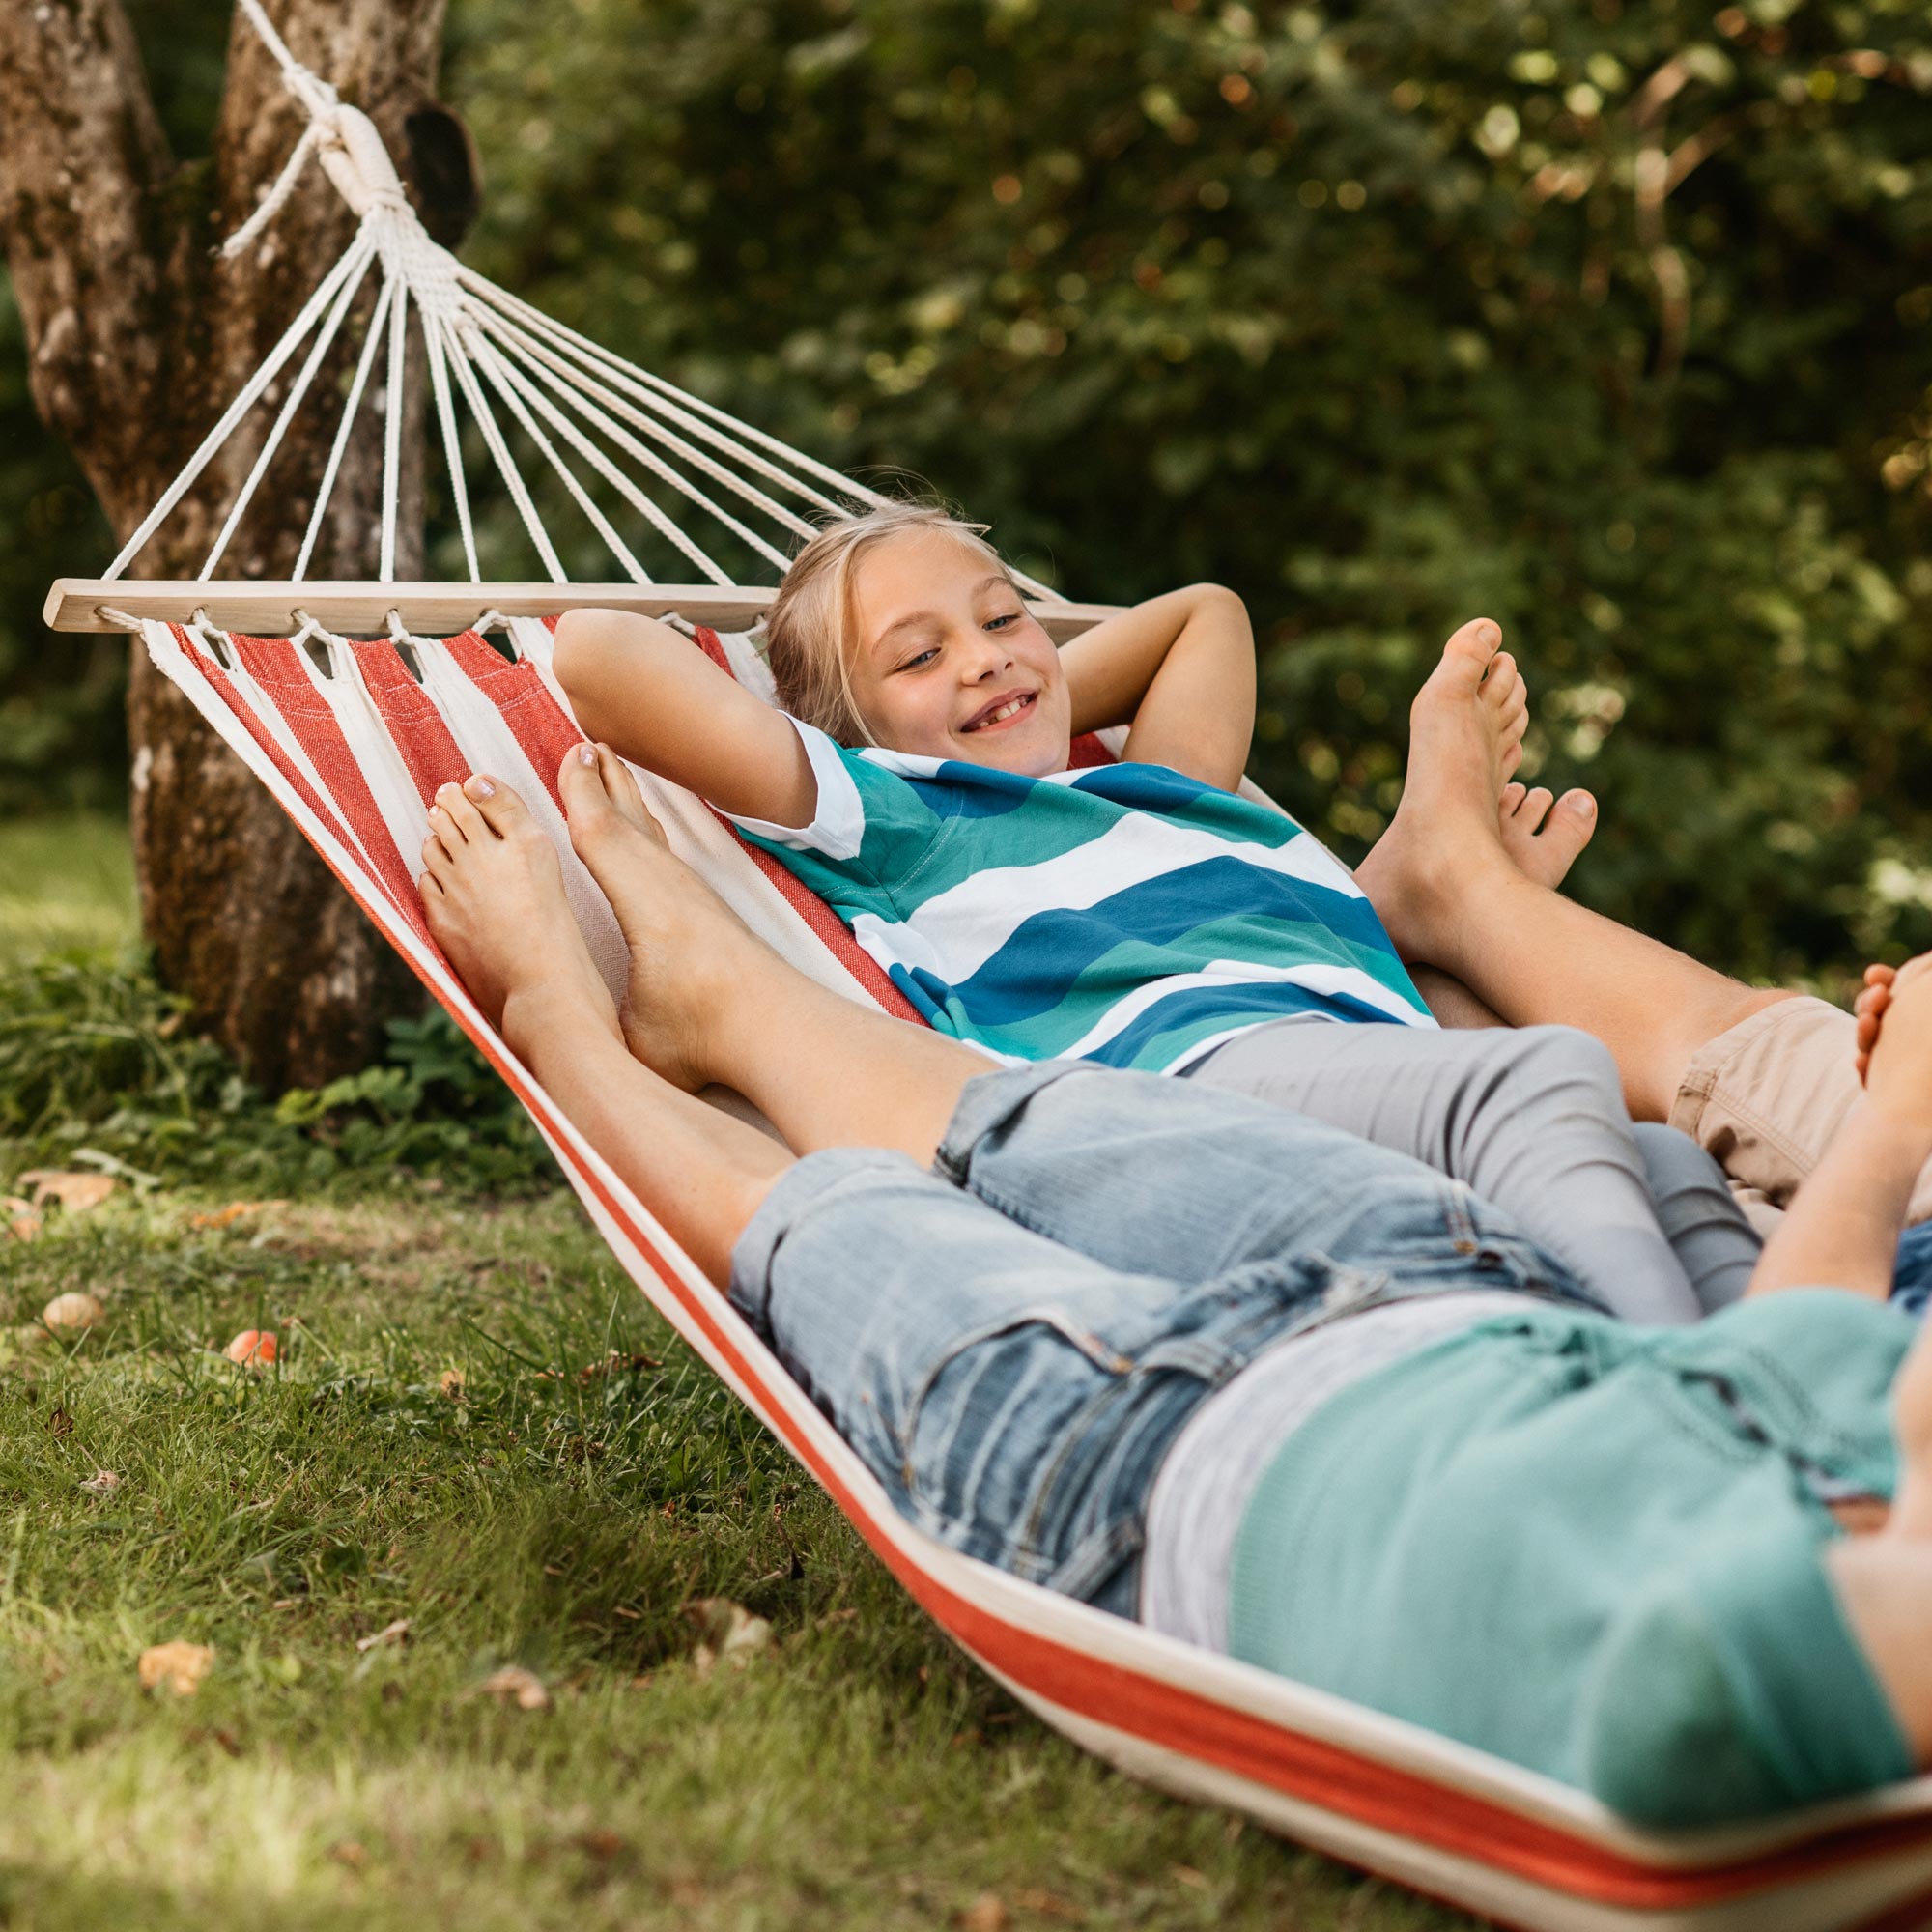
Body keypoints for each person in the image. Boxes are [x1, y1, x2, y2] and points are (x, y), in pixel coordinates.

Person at [416, 743, 1932, 1831]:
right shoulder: (1861, 1431)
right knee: (1019, 1116)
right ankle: (723, 999)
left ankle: (568, 1023)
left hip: (1160, 1467)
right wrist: (1899, 1115)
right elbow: (1801, 1328)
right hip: (1457, 1291)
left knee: (822, 1213)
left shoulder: (1766, 1675)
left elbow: (1692, 1654)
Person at [549, 503, 1719, 1324]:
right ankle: (1692, 1412)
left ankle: (1824, 1428)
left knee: (1661, 1158)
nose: (987, 656)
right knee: (1549, 1076)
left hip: (1374, 1074)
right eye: (919, 653)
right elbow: (596, 654)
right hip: (1189, 1093)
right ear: (843, 734)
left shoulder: (1159, 799)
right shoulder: (896, 811)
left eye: (1005, 618)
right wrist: (836, 737)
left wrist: (1021, 684)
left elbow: (1204, 614)